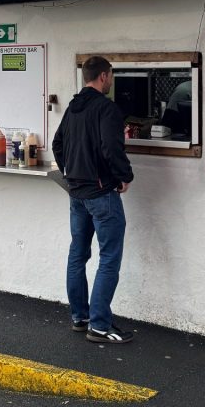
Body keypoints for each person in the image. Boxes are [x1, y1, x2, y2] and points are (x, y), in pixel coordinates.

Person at [52, 55, 135, 344]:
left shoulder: (74, 107)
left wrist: (70, 171)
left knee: (78, 253)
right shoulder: (107, 109)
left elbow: (57, 144)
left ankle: (80, 317)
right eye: (110, 75)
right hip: (101, 194)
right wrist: (124, 176)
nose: (111, 80)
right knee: (109, 257)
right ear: (102, 76)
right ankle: (99, 325)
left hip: (76, 193)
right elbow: (110, 148)